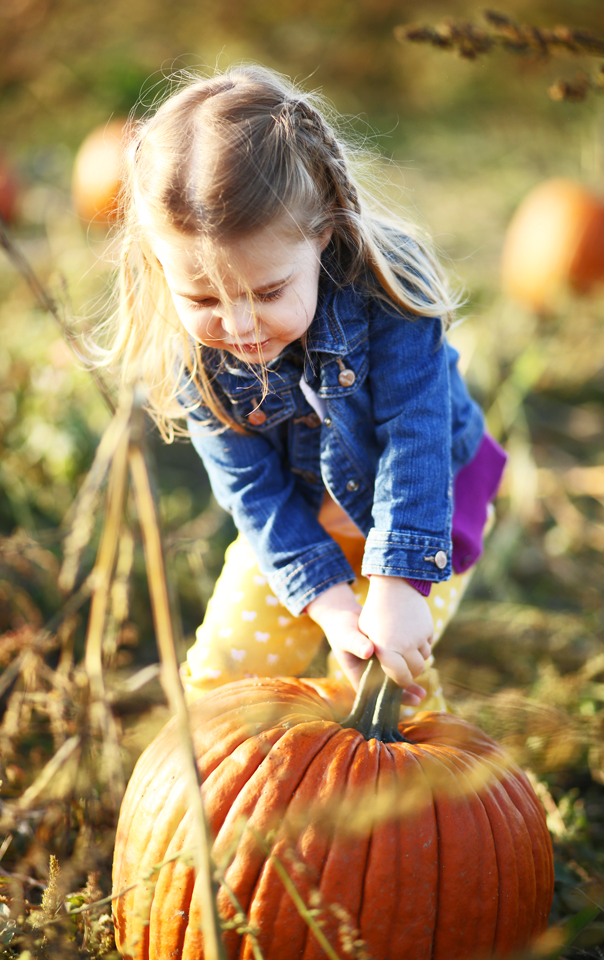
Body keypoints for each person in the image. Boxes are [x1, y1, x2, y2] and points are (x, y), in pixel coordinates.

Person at [105, 64, 507, 715]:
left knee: (387, 688)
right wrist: (330, 600)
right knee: (222, 682)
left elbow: (415, 435)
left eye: (267, 292)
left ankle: (416, 799)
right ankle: (227, 805)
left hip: (423, 505)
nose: (238, 325)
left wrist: (396, 582)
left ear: (322, 232)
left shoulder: (387, 296)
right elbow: (252, 492)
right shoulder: (196, 359)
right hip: (301, 522)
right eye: (203, 296)